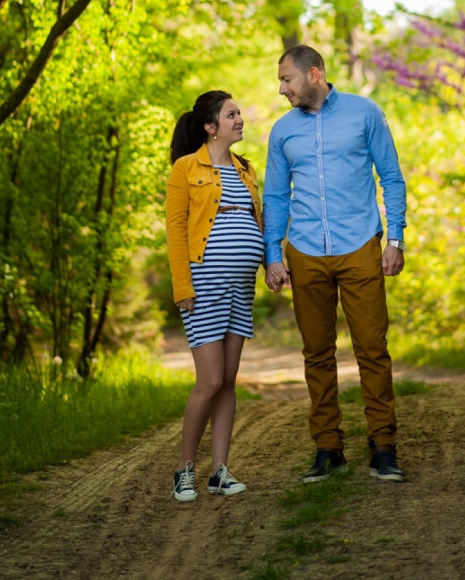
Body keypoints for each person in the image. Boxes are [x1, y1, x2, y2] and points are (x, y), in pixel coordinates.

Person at [263, 45, 407, 484]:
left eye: (287, 79)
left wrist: (395, 239)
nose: (282, 89)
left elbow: (391, 176)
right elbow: (275, 196)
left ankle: (383, 446)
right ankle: (328, 447)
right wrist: (273, 255)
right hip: (305, 251)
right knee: (317, 353)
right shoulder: (282, 131)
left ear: (314, 74)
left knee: (372, 349)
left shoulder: (365, 113)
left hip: (360, 245)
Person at [165, 90, 264, 503]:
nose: (239, 120)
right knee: (208, 381)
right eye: (230, 115)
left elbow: (260, 220)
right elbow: (176, 231)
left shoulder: (246, 169)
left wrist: (272, 263)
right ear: (210, 127)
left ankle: (219, 471)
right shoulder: (186, 168)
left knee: (227, 381)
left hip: (242, 286)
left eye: (239, 113)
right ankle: (184, 469)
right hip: (204, 285)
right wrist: (182, 288)